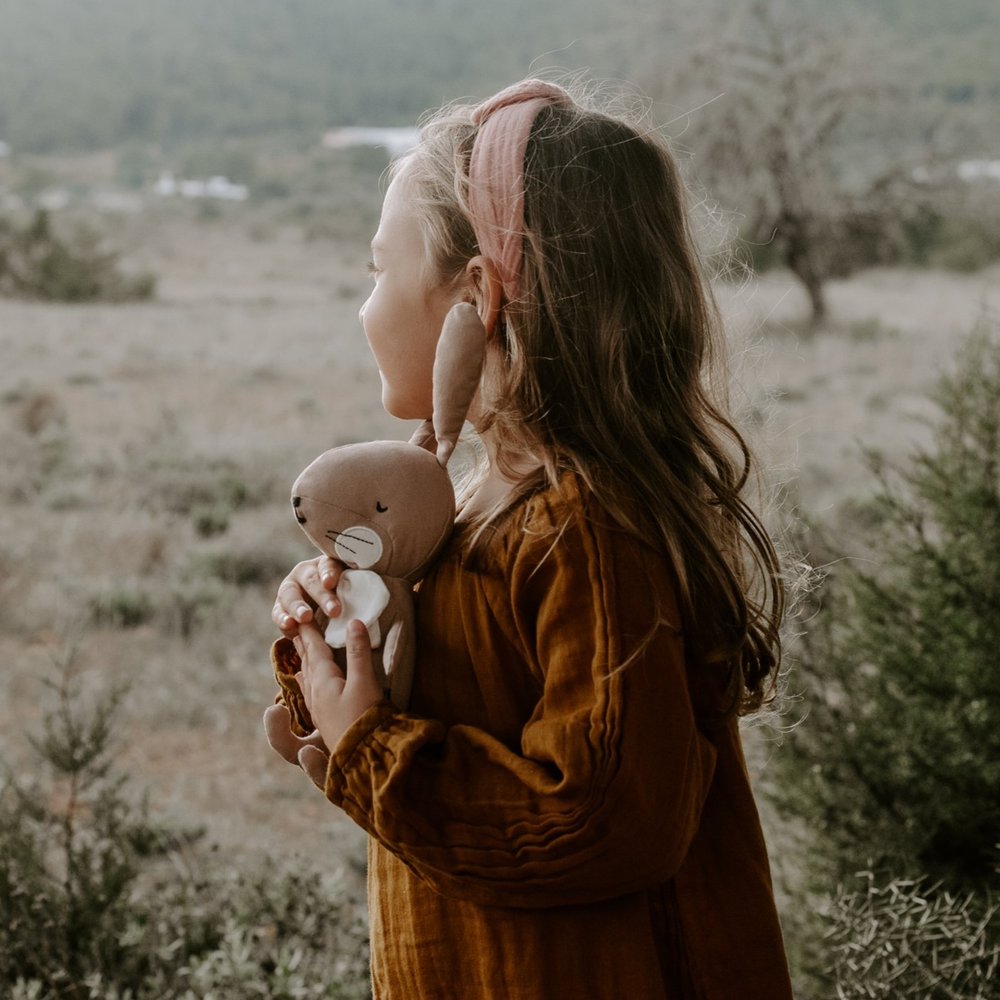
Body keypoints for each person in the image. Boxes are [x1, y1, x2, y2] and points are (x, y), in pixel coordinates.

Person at [269, 78, 794, 999]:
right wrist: (335, 654)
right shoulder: (470, 510)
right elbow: (424, 730)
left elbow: (600, 819)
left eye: (378, 269)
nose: (364, 306)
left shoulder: (581, 533)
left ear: (475, 292)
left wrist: (370, 751)